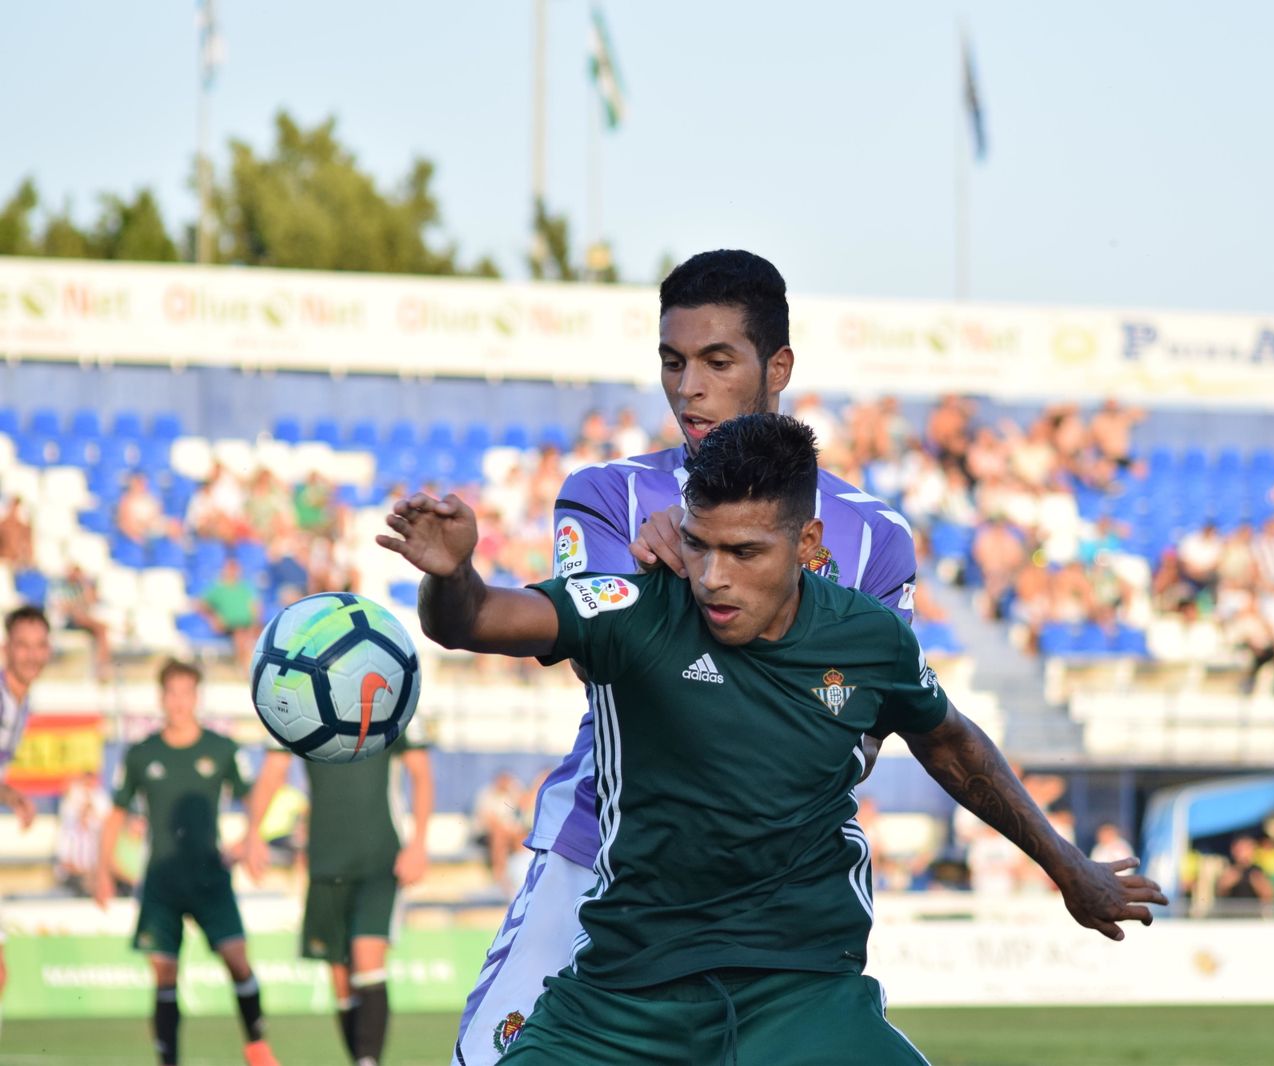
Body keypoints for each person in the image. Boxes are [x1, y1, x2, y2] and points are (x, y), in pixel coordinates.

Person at [379, 413, 1165, 1063]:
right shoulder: (638, 610)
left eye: (744, 552)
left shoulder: (870, 639)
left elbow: (951, 743)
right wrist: (451, 578)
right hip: (630, 997)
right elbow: (483, 619)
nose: (713, 575)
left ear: (807, 543)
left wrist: (1070, 870)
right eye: (699, 543)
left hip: (801, 992)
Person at [448, 250, 924, 1066]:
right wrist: (654, 572)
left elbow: (869, 725)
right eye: (672, 362)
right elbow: (597, 648)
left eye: (716, 361)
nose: (687, 388)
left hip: (774, 895)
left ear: (777, 368)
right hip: (600, 854)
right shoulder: (608, 496)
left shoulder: (874, 535)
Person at [92, 659, 277, 1066]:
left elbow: (252, 797)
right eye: (172, 693)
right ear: (162, 697)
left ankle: (257, 1046)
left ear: (197, 697)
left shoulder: (221, 749)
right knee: (164, 973)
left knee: (237, 960)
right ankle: (169, 1060)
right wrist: (102, 871)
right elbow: (116, 815)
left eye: (187, 693)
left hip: (211, 876)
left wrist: (252, 839)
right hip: (162, 880)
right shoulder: (143, 754)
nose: (179, 702)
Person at [242, 718, 433, 1066]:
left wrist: (419, 843)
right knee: (341, 979)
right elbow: (272, 772)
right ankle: (361, 1059)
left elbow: (420, 773)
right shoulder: (301, 706)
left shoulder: (390, 696)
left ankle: (367, 1061)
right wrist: (252, 833)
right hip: (326, 863)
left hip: (381, 860)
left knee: (366, 958)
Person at [0, 605, 50, 1040]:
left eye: (38, 646)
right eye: (22, 646)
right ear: (5, 648)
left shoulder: (22, 701)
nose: (31, 655)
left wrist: (13, 795)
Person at [472, 770, 525, 892]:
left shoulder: (511, 795)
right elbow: (488, 821)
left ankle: (520, 874)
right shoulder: (486, 794)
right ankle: (500, 875)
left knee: (520, 837)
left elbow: (524, 806)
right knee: (499, 836)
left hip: (506, 832)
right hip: (486, 834)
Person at [1215, 835, 1274, 912]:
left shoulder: (1258, 871)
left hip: (1252, 916)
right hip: (1231, 916)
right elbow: (1219, 894)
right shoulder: (1228, 869)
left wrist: (1259, 886)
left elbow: (1268, 896)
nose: (1242, 852)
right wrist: (1224, 885)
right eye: (1239, 849)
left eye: (1246, 848)